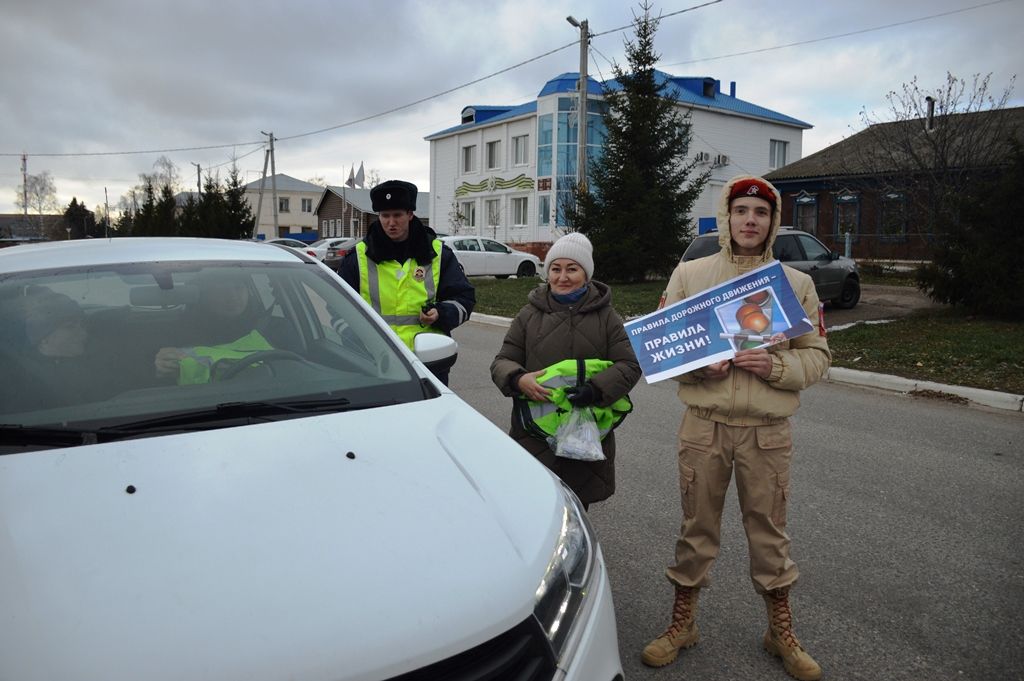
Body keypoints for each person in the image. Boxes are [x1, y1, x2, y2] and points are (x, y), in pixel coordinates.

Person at [640, 176, 831, 680]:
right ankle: (683, 624)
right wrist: (696, 368)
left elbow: (818, 356)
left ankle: (779, 630)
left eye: (761, 213)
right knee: (695, 529)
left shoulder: (796, 285)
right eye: (741, 210)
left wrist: (778, 369)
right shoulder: (690, 274)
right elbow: (661, 352)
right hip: (704, 426)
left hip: (767, 432)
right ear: (726, 217)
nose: (750, 220)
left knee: (769, 533)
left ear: (773, 222)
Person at [490, 232, 640, 509]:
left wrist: (596, 390)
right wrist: (518, 378)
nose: (563, 277)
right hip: (534, 432)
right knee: (535, 504)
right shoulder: (528, 315)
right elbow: (502, 361)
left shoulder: (607, 317)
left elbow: (629, 365)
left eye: (572, 269)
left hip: (586, 433)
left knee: (576, 504)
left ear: (587, 273)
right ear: (547, 273)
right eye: (556, 269)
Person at [338, 179, 475, 385]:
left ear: (410, 214)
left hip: (428, 364)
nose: (391, 222)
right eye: (385, 216)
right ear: (378, 216)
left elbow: (464, 299)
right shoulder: (358, 257)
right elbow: (338, 308)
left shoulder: (438, 254)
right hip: (373, 364)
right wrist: (355, 342)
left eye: (397, 215)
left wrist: (441, 313)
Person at [154, 270, 288, 384]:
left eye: (238, 287)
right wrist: (160, 368)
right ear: (204, 295)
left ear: (248, 291)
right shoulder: (177, 333)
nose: (233, 296)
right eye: (221, 290)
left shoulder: (275, 327)